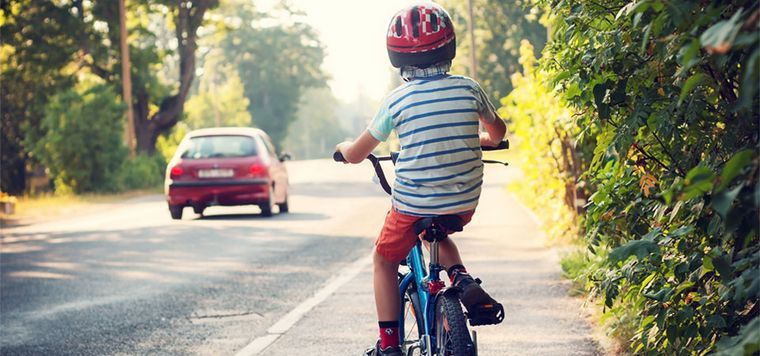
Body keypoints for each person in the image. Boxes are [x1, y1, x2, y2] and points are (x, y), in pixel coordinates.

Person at [334, 2, 507, 355]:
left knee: (383, 259)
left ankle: (389, 345)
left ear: (395, 57)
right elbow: (498, 130)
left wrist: (343, 148)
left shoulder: (396, 101)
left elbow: (355, 154)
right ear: (450, 46)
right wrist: (485, 141)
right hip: (462, 202)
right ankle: (460, 277)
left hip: (413, 205)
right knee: (438, 229)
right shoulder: (469, 88)